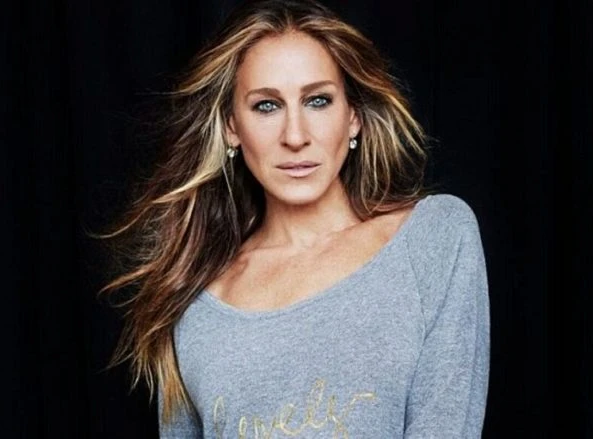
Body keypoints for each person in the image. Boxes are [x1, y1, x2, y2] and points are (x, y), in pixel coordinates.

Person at [103, 0, 490, 437]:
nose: (295, 136)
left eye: (318, 101)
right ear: (232, 127)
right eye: (266, 106)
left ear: (353, 116)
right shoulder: (195, 301)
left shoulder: (433, 238)